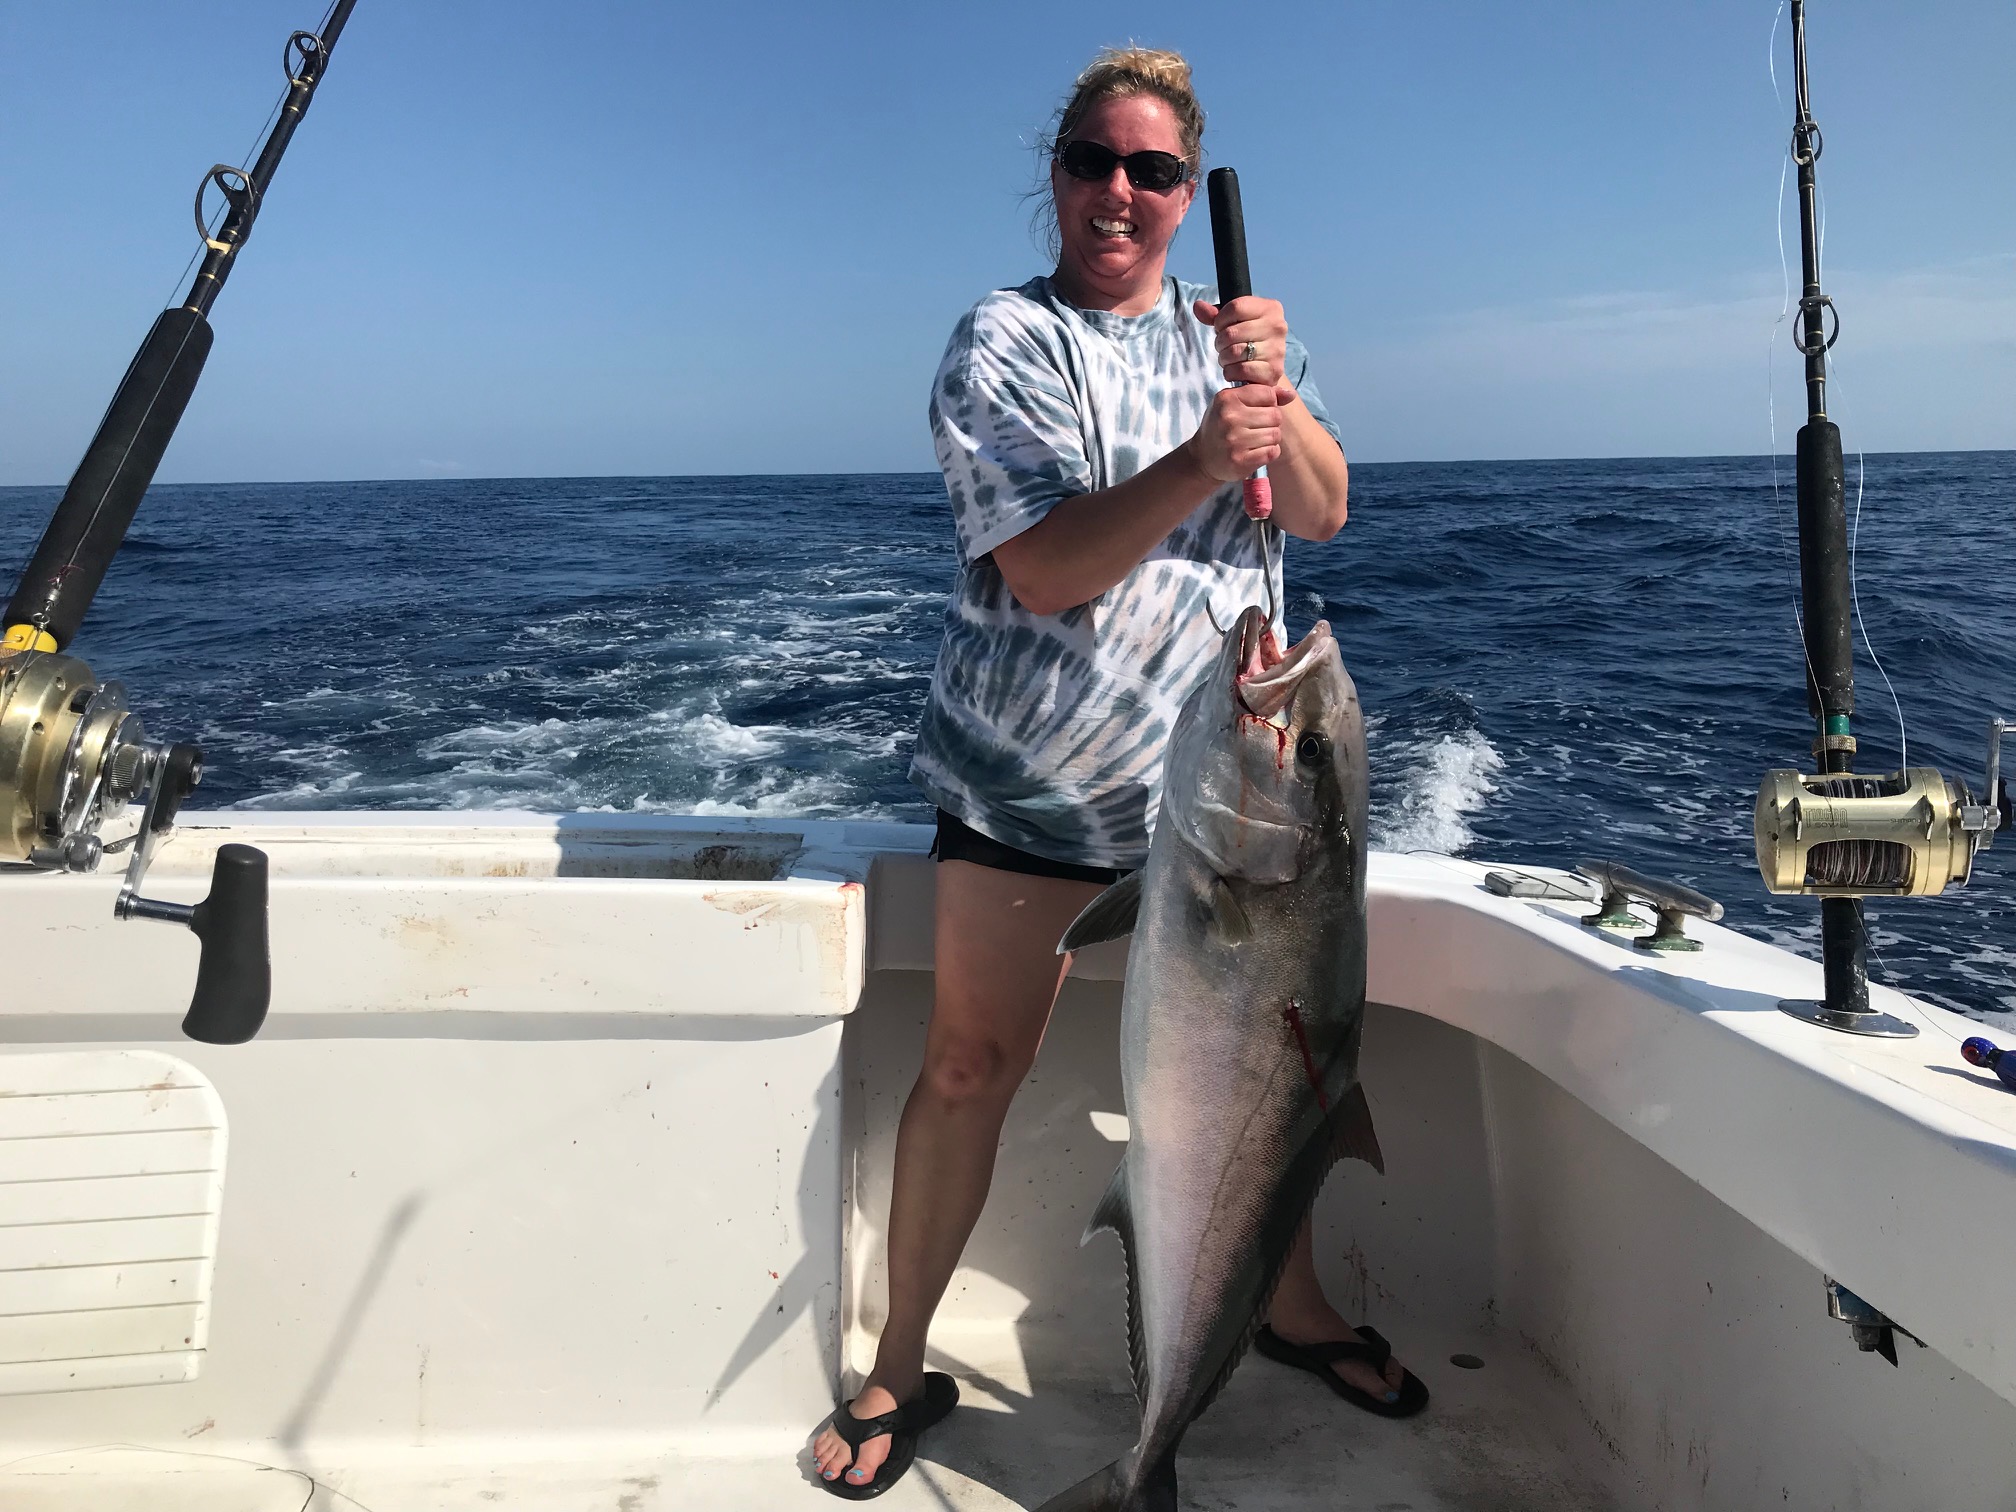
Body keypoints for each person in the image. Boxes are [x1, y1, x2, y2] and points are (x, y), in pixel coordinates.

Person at [810, 46, 1426, 1498]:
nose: (1123, 191)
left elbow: (1325, 514)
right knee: (972, 1066)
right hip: (1034, 794)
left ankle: (1282, 1310)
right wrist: (1210, 455)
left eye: (1155, 170)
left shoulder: (1231, 334)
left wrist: (1274, 390)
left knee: (1274, 1087)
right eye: (1096, 159)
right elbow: (1041, 570)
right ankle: (901, 1360)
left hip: (1236, 808)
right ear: (1057, 172)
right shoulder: (1003, 342)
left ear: (1178, 188)